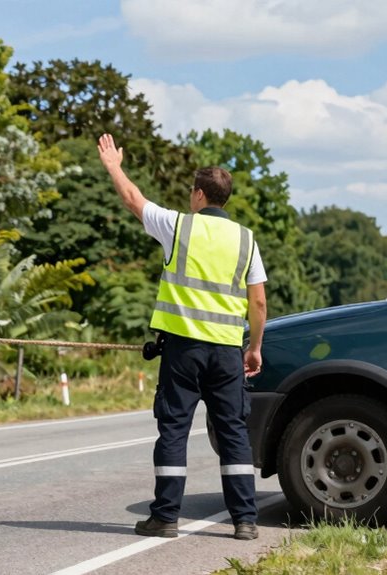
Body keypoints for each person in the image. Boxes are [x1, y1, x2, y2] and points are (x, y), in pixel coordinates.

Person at [97, 133, 267, 541]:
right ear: (224, 199)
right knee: (233, 434)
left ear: (198, 195)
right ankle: (245, 521)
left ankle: (166, 517)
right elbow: (258, 302)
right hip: (228, 353)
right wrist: (255, 348)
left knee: (174, 430)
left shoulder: (178, 226)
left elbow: (134, 200)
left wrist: (113, 166)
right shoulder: (246, 239)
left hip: (182, 350)